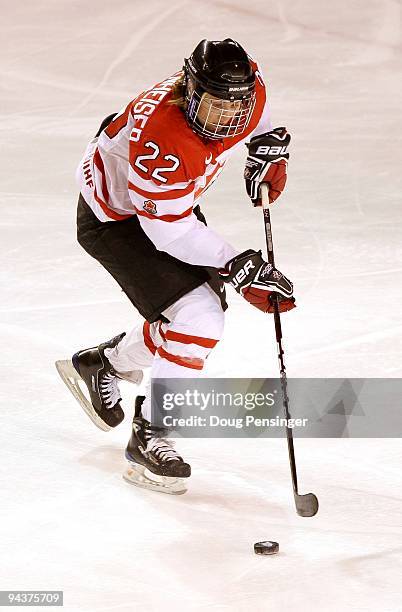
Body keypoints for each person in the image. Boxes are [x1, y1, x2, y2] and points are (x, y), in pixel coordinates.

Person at [57, 38, 295, 494]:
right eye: (214, 105)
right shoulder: (163, 144)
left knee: (194, 316)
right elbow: (169, 233)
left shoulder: (246, 91)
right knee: (198, 317)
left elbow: (260, 116)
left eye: (236, 108)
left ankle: (104, 363)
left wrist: (268, 147)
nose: (227, 119)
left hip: (167, 207)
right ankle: (152, 434)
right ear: (189, 89)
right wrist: (238, 265)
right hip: (119, 218)